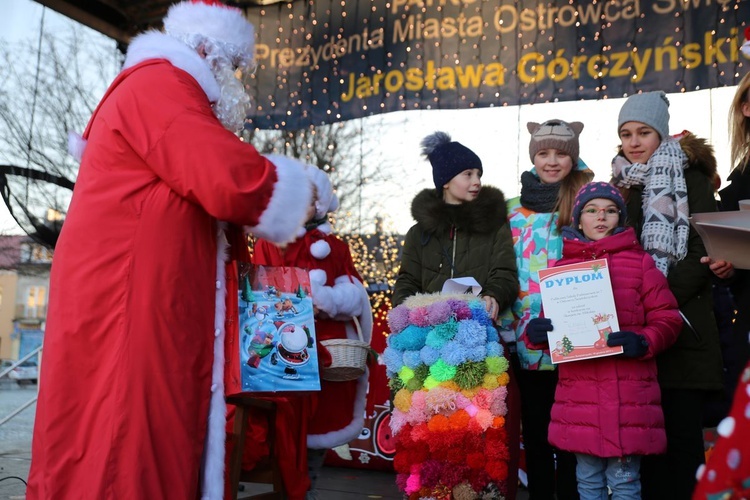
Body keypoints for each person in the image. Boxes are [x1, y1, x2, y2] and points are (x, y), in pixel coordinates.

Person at [26, 2, 313, 498]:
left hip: (138, 300)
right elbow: (223, 174)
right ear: (209, 52)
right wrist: (290, 189)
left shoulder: (158, 86)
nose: (238, 84)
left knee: (133, 433)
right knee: (126, 440)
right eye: (236, 68)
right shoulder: (160, 84)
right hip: (129, 304)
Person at [526, 181, 683, 499]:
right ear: (578, 219)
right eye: (592, 210)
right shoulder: (561, 271)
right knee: (588, 483)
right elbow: (554, 327)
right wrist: (537, 334)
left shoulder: (640, 264)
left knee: (625, 484)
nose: (602, 217)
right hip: (580, 400)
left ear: (620, 219)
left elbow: (668, 319)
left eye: (611, 211)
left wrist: (643, 341)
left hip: (629, 398)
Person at [392, 130, 520, 497]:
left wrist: (495, 294)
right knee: (430, 430)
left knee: (475, 431)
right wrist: (407, 307)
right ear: (445, 181)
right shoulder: (419, 234)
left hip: (476, 345)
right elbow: (406, 282)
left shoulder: (494, 226)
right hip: (426, 348)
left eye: (479, 174)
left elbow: (504, 272)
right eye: (468, 174)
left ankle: (479, 492)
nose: (477, 182)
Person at [610, 90, 724, 499]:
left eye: (644, 132)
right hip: (635, 333)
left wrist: (654, 299)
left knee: (682, 442)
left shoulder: (689, 177)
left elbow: (703, 249)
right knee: (646, 447)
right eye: (626, 133)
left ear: (661, 134)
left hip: (681, 326)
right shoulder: (618, 187)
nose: (634, 141)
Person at [240, 166, 373, 500]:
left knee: (318, 429)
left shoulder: (336, 248)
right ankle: (290, 486)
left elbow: (354, 295)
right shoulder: (269, 244)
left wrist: (325, 300)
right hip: (280, 352)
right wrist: (292, 304)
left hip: (326, 350)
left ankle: (308, 486)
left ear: (321, 204)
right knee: (282, 426)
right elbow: (259, 290)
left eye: (311, 197)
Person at [500, 119, 593, 500]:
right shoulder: (510, 211)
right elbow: (502, 269)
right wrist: (507, 324)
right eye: (544, 153)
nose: (552, 161)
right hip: (528, 338)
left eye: (560, 154)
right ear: (533, 157)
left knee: (573, 435)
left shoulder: (586, 200)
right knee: (537, 432)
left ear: (572, 158)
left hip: (577, 336)